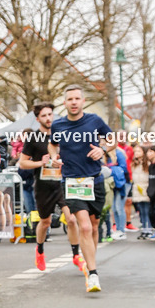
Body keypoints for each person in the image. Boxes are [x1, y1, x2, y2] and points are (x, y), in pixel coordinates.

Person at [48, 84, 113, 293]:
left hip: (95, 180)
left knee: (93, 227)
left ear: (83, 101)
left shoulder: (95, 121)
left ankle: (89, 260)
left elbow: (112, 139)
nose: (74, 102)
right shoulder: (58, 125)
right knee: (83, 227)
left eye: (77, 98)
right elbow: (52, 144)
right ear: (65, 103)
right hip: (72, 181)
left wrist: (102, 149)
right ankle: (93, 274)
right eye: (70, 99)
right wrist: (53, 157)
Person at [18, 102, 86, 274]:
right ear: (37, 119)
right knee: (45, 222)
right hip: (43, 185)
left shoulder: (62, 134)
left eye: (50, 114)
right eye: (44, 116)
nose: (48, 118)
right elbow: (22, 163)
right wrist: (40, 163)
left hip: (63, 183)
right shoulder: (33, 138)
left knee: (71, 219)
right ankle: (40, 250)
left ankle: (76, 255)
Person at [104, 137, 130, 239]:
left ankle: (121, 230)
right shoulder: (106, 155)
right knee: (114, 208)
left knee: (119, 207)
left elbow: (123, 168)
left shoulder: (118, 153)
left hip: (122, 184)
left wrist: (111, 169)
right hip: (113, 184)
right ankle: (118, 229)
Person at [130, 145, 151, 236]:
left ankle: (149, 228)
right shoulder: (134, 163)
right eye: (135, 151)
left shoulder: (147, 163)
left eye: (138, 151)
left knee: (147, 209)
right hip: (137, 188)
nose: (136, 153)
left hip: (145, 187)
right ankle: (144, 227)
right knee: (141, 210)